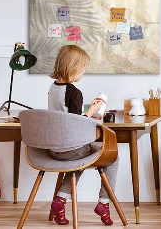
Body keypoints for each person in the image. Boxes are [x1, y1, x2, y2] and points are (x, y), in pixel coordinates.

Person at [48, 45, 118, 226]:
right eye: (83, 67)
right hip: (71, 149)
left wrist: (88, 112)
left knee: (78, 160)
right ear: (74, 67)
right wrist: (93, 111)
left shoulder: (53, 88)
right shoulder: (74, 92)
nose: (83, 72)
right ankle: (104, 203)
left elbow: (65, 117)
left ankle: (60, 201)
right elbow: (76, 124)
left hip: (54, 149)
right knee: (113, 157)